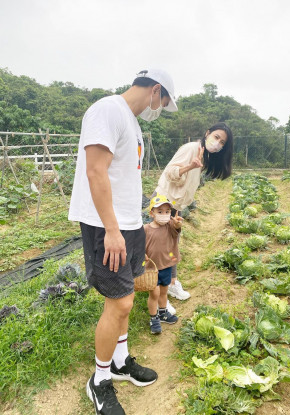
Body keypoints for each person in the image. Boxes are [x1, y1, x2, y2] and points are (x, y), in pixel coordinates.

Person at [68, 68, 177, 415]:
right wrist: (112, 228)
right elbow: (95, 171)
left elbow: (123, 176)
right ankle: (99, 380)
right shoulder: (107, 110)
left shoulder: (131, 121)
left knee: (127, 298)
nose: (159, 109)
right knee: (120, 303)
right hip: (107, 226)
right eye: (163, 102)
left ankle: (119, 360)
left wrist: (136, 225)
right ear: (155, 90)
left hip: (129, 225)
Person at [155, 122, 233, 303]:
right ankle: (160, 295)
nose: (218, 143)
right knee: (162, 249)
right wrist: (190, 166)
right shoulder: (191, 149)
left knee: (172, 245)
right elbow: (170, 172)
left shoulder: (203, 155)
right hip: (164, 203)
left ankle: (171, 283)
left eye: (222, 143)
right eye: (216, 137)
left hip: (176, 204)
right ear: (207, 133)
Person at [144, 194, 183, 334]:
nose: (164, 215)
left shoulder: (170, 226)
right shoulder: (146, 229)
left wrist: (178, 223)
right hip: (152, 269)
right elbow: (139, 246)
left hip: (166, 265)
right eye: (160, 212)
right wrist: (143, 254)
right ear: (152, 213)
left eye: (167, 212)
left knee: (164, 291)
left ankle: (162, 313)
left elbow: (177, 227)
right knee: (154, 293)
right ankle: (153, 318)